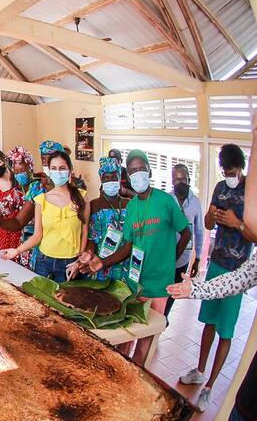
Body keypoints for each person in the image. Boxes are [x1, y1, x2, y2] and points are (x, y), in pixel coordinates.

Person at [84, 149, 191, 366]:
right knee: (126, 338)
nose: (138, 173)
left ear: (149, 170)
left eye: (142, 168)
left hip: (160, 284)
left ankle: (139, 375)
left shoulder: (165, 201)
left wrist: (172, 262)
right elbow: (128, 245)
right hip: (133, 282)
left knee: (146, 342)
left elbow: (186, 232)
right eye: (133, 170)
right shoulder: (131, 207)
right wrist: (102, 262)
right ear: (129, 176)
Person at [178, 144, 254, 412]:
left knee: (226, 329)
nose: (228, 175)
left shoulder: (251, 194)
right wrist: (211, 216)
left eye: (232, 170)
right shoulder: (220, 188)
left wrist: (237, 223)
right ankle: (199, 370)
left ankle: (209, 386)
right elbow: (208, 225)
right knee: (208, 322)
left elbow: (254, 236)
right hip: (216, 265)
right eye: (224, 171)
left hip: (239, 270)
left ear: (241, 167)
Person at [1, 150, 90, 283]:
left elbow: (84, 231)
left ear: (70, 170)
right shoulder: (41, 200)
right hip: (43, 262)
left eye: (62, 168)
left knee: (65, 302)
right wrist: (17, 251)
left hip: (70, 264)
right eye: (53, 168)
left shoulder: (82, 198)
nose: (58, 172)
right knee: (40, 301)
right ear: (49, 171)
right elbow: (37, 235)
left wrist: (78, 261)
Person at [165, 163, 204, 316]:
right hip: (166, 255)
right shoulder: (167, 199)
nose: (179, 182)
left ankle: (164, 318)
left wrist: (198, 258)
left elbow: (199, 231)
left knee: (172, 293)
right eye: (175, 179)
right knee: (162, 291)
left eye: (182, 179)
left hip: (183, 259)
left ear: (188, 180)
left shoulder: (195, 203)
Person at [85, 157, 129, 281]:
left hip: (123, 263)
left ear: (119, 178)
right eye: (106, 178)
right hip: (99, 263)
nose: (110, 181)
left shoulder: (129, 204)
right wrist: (88, 253)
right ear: (101, 180)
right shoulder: (95, 205)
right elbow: (92, 239)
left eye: (114, 177)